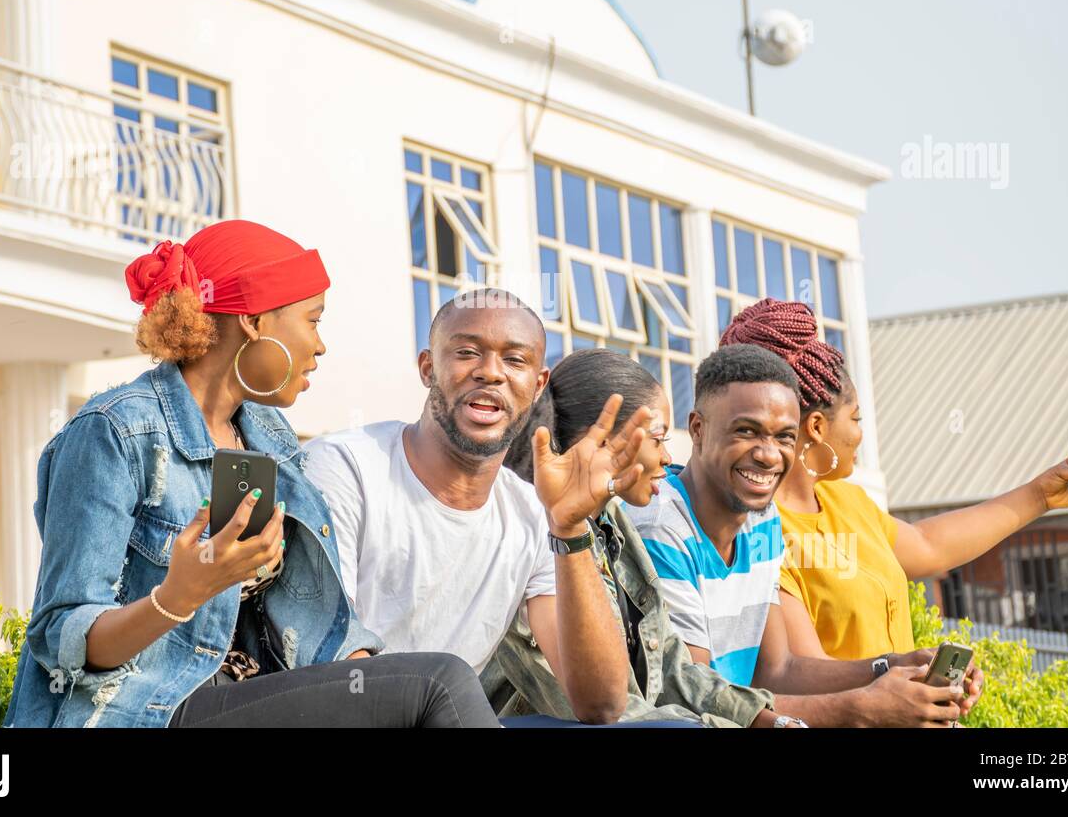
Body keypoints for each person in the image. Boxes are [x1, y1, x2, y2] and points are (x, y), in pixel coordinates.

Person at [4, 220, 499, 728]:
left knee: (422, 697)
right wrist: (178, 597)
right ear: (253, 319)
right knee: (441, 682)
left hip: (248, 698)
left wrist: (376, 698)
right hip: (146, 713)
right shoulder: (115, 431)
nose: (321, 345)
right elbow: (64, 637)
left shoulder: (267, 437)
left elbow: (307, 624)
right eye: (312, 320)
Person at [303, 289, 646, 725]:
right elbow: (336, 669)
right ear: (428, 368)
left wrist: (571, 527)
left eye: (515, 361)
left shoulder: (532, 512)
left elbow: (601, 703)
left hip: (439, 717)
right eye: (467, 353)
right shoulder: (344, 467)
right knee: (442, 677)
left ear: (537, 386)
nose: (490, 373)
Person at [719, 297, 1068, 662]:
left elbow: (929, 545)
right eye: (856, 418)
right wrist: (902, 681)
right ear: (819, 427)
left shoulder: (847, 502)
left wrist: (1041, 495)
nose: (861, 434)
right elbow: (804, 675)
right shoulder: (762, 533)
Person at [626, 344, 983, 726]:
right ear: (698, 429)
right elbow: (698, 700)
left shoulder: (762, 519)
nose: (768, 455)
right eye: (746, 431)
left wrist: (892, 667)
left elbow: (778, 670)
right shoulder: (660, 526)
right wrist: (864, 709)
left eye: (783, 437)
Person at [490, 348, 783, 727]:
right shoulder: (529, 532)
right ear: (602, 440)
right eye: (658, 439)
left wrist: (765, 719)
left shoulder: (612, 521)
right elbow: (603, 711)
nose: (667, 457)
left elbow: (671, 667)